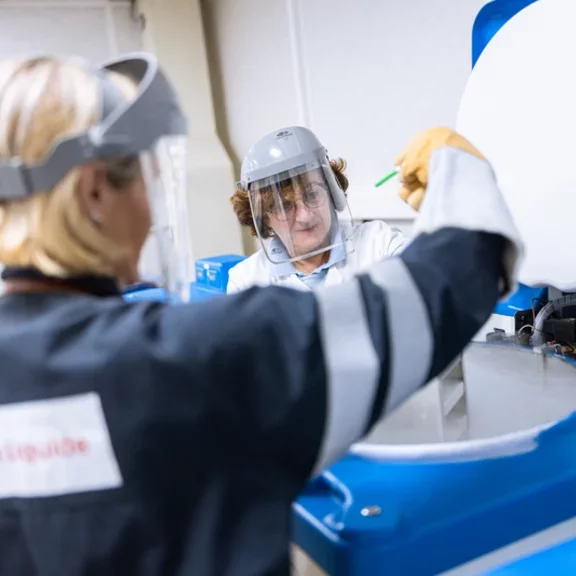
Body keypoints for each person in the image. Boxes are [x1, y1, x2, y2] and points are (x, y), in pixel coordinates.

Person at [0, 51, 521, 576]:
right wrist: (461, 177)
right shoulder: (194, 357)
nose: (151, 204)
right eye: (140, 177)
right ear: (94, 190)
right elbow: (440, 290)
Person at [228, 126, 407, 292]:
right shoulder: (246, 281)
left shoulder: (379, 244)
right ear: (264, 217)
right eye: (284, 206)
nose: (305, 216)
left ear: (332, 193)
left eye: (312, 195)